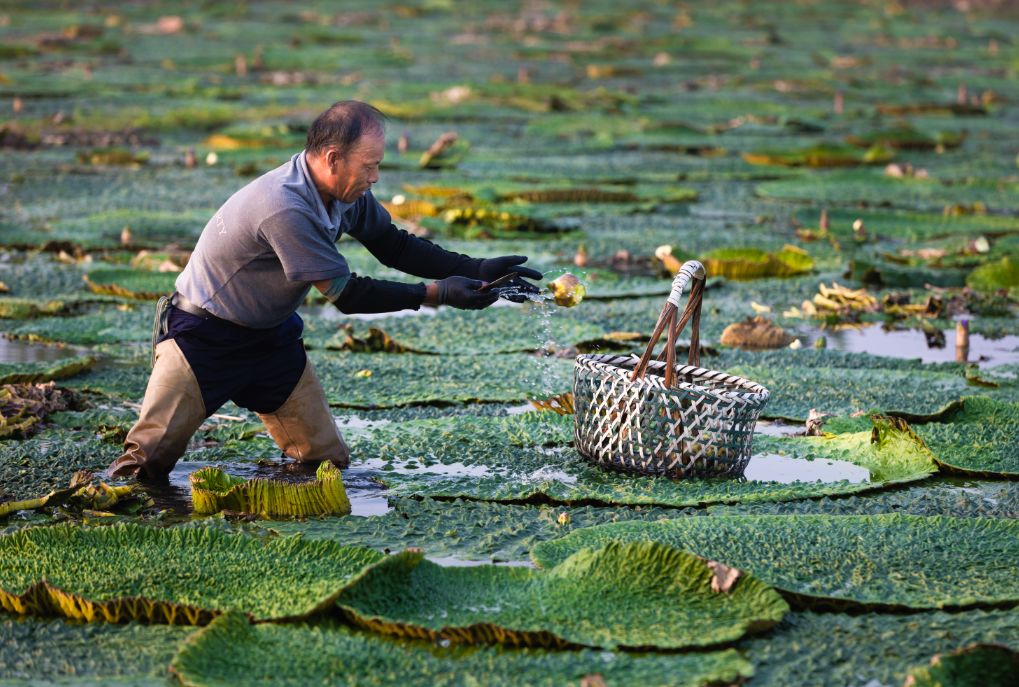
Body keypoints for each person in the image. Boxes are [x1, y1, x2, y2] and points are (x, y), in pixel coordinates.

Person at [108, 100, 541, 479]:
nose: (375, 176)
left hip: (271, 343)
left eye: (377, 165)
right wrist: (438, 294)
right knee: (143, 466)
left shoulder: (345, 194)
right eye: (369, 165)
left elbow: (394, 246)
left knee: (324, 465)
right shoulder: (285, 207)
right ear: (333, 158)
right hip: (202, 339)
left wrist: (478, 268)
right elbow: (348, 295)